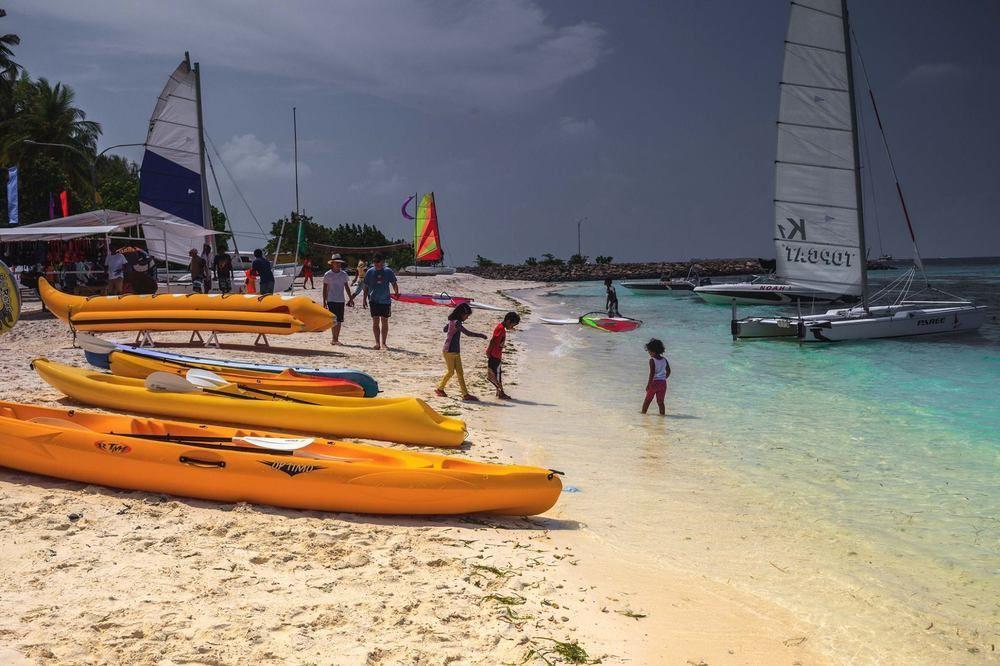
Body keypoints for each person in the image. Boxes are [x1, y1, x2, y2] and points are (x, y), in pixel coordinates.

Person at [436, 302, 487, 401]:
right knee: (451, 372)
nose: (467, 318)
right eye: (467, 315)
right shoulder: (457, 323)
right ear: (461, 314)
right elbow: (467, 333)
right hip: (449, 351)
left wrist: (450, 326)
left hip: (455, 351)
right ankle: (440, 389)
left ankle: (465, 394)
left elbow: (444, 329)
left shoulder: (453, 321)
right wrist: (481, 335)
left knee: (460, 373)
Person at [362, 253, 399, 350]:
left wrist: (396, 292)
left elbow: (394, 283)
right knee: (375, 321)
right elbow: (365, 286)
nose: (376, 264)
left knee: (385, 321)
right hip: (373, 300)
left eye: (378, 262)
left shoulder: (388, 271)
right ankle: (377, 343)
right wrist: (364, 299)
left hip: (385, 300)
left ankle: (384, 343)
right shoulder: (370, 272)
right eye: (374, 262)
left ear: (382, 262)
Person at [486, 311, 520, 400]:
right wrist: (488, 351)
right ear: (508, 321)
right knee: (495, 376)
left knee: (497, 375)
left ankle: (499, 392)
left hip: (497, 355)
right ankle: (501, 393)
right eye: (512, 325)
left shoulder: (501, 328)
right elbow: (493, 340)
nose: (512, 327)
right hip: (495, 355)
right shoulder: (501, 329)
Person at [322, 254, 354, 345]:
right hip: (331, 299)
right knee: (334, 320)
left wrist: (351, 298)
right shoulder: (327, 274)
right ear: (332, 263)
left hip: (341, 300)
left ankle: (336, 338)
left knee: (339, 320)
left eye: (339, 263)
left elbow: (347, 287)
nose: (338, 265)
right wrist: (324, 301)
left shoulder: (343, 274)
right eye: (336, 263)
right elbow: (325, 289)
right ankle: (334, 338)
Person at [641, 338, 670, 416]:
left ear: (653, 351)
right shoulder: (664, 360)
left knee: (648, 400)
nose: (649, 353)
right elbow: (669, 371)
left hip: (654, 383)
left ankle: (643, 414)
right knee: (660, 402)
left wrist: (648, 385)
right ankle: (662, 416)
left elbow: (652, 374)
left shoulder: (652, 360)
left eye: (649, 351)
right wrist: (663, 378)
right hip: (663, 383)